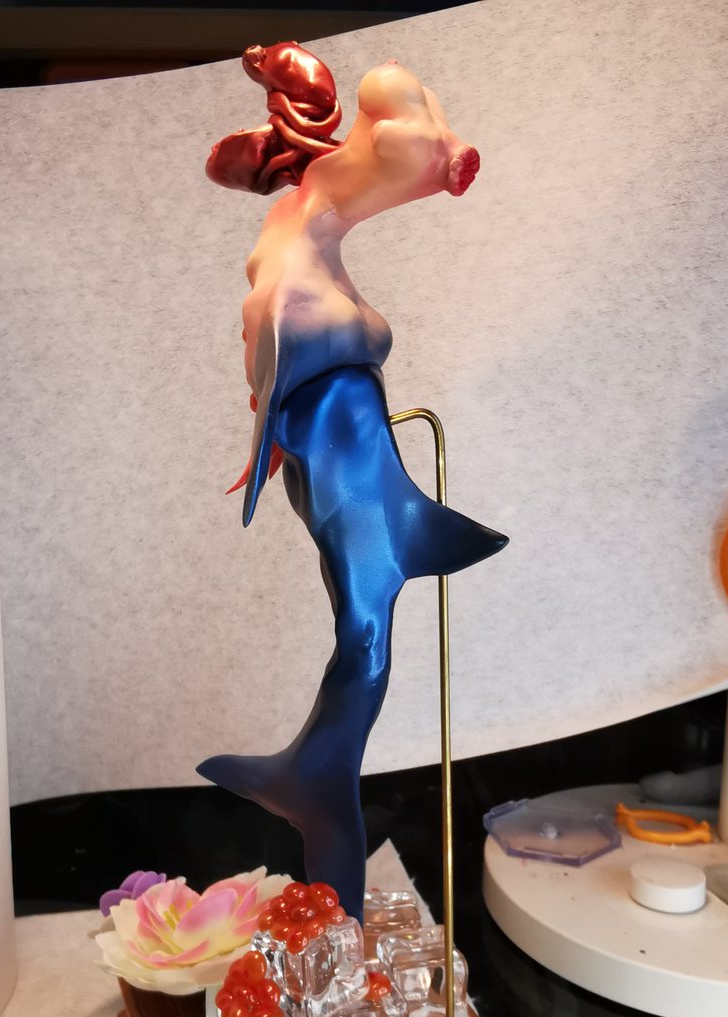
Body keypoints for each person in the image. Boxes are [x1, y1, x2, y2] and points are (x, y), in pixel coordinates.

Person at [199, 44, 507, 924]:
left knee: (365, 623)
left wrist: (435, 154)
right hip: (328, 431)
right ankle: (318, 779)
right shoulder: (298, 230)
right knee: (363, 623)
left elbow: (391, 148)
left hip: (339, 430)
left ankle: (317, 778)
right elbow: (388, 147)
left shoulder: (309, 217)